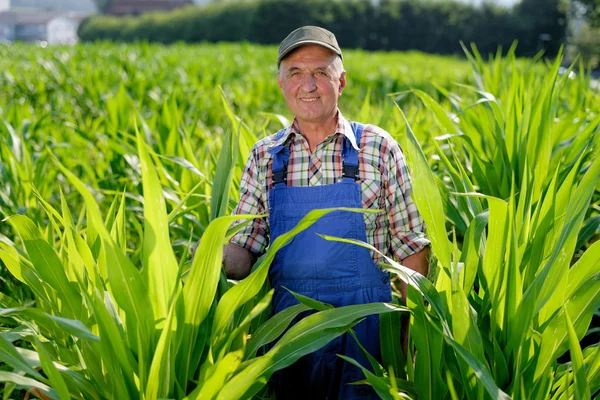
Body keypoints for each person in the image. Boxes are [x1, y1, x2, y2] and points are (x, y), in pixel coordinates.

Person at [224, 26, 430, 399]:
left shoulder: (378, 148)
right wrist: (210, 259)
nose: (309, 85)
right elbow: (244, 247)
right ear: (281, 83)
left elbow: (410, 245)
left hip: (368, 331)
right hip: (291, 334)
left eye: (321, 72)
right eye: (296, 74)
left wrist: (410, 333)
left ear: (342, 81)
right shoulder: (265, 157)